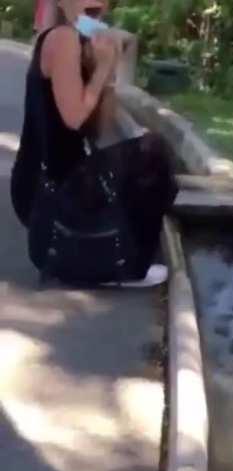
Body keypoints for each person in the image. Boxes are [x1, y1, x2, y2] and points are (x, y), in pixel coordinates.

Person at [12, 0, 177, 286]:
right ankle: (128, 268)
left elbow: (100, 130)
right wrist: (100, 70)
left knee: (139, 158)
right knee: (154, 154)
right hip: (47, 196)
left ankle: (113, 258)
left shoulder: (78, 42)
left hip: (58, 187)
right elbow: (75, 117)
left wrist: (108, 70)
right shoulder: (62, 39)